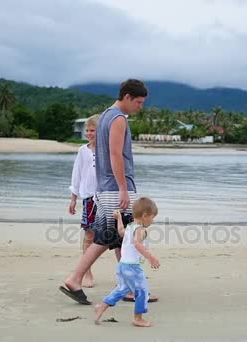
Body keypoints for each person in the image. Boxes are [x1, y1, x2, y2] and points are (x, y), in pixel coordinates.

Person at [60, 79, 151, 305]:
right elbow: (115, 155)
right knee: (106, 239)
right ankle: (75, 278)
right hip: (114, 188)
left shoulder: (105, 116)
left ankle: (128, 287)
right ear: (127, 97)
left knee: (119, 239)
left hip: (105, 187)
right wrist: (123, 188)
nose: (140, 106)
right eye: (138, 102)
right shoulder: (118, 119)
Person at [94, 197, 159, 327]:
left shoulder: (130, 227)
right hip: (132, 268)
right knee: (142, 291)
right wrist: (150, 256)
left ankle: (102, 306)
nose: (153, 220)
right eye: (152, 217)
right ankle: (138, 318)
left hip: (123, 265)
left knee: (122, 289)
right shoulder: (140, 230)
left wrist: (118, 219)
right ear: (145, 215)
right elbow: (137, 243)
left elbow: (120, 232)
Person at [68, 114, 99, 288]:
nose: (88, 133)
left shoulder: (107, 150)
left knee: (113, 237)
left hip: (105, 198)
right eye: (87, 130)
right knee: (89, 235)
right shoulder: (82, 150)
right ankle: (87, 272)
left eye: (92, 130)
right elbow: (76, 175)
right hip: (88, 198)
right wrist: (73, 199)